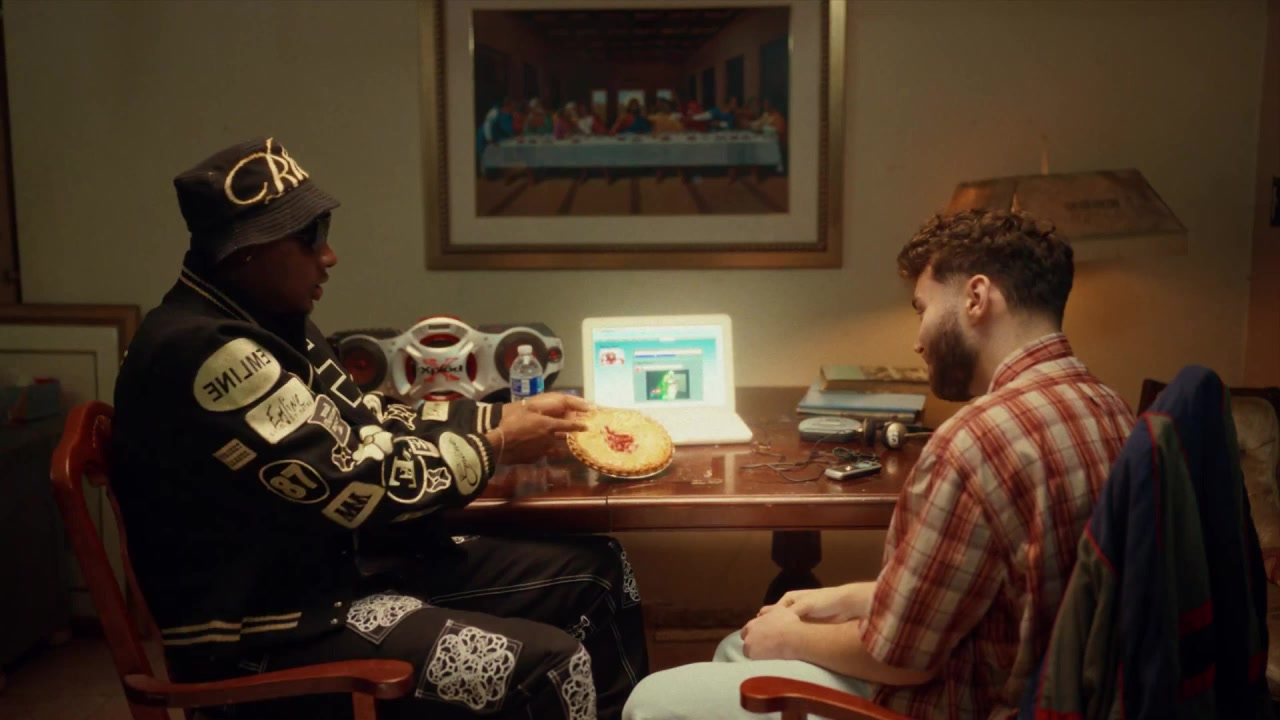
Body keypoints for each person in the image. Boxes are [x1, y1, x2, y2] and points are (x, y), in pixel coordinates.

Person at [112, 137, 649, 719]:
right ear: (247, 251)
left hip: (340, 577)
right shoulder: (204, 353)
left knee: (601, 573)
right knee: (548, 665)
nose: (329, 255)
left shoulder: (270, 322)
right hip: (272, 634)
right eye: (310, 236)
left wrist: (499, 416)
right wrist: (494, 445)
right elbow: (355, 482)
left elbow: (368, 416)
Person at [622, 208, 1136, 719]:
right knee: (740, 645)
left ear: (976, 298)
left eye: (922, 309)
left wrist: (790, 638)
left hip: (962, 701)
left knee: (653, 700)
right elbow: (992, 588)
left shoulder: (974, 442)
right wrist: (848, 598)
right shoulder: (1109, 409)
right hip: (1058, 689)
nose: (918, 340)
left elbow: (902, 660)